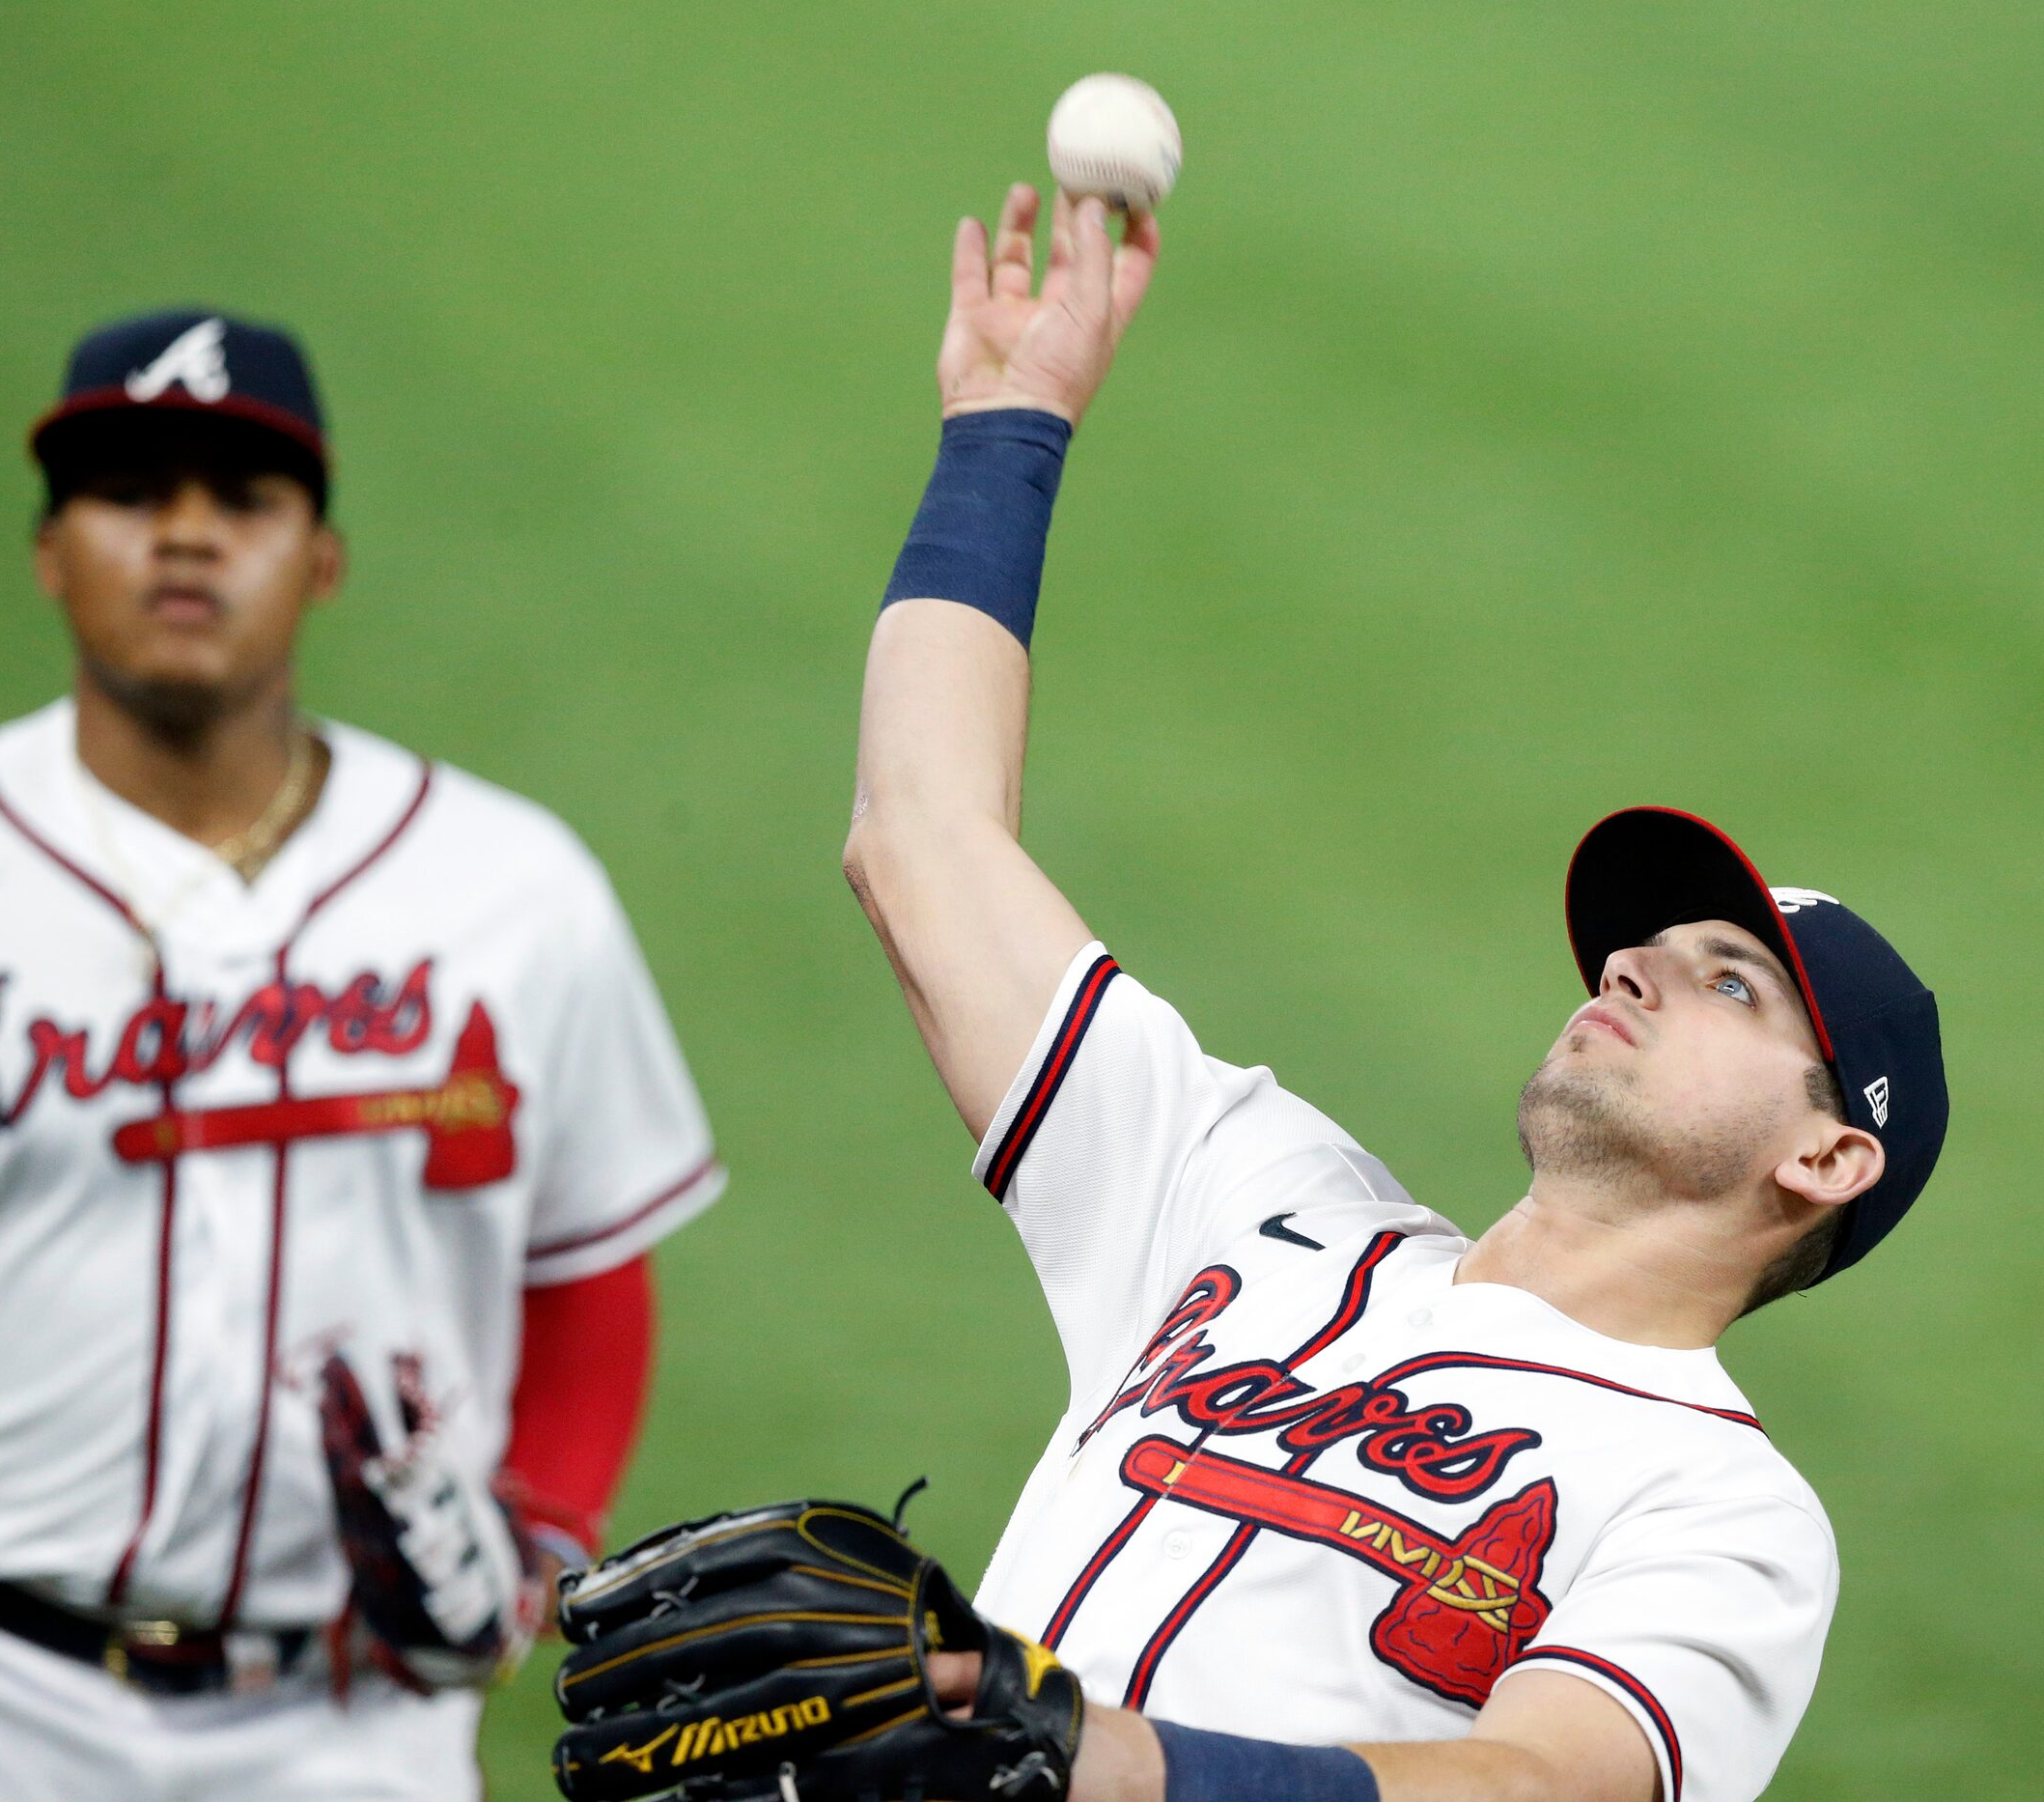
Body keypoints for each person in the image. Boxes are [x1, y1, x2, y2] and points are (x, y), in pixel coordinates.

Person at [834, 186, 1948, 1802]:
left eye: (1732, 984)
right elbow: (921, 837)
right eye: (1642, 946)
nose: (1634, 965)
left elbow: (1532, 1787)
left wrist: (1082, 1756)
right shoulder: (1250, 1193)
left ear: (1829, 1154)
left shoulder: (1721, 1508)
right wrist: (1008, 429)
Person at [0, 309, 725, 1799]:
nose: (184, 538)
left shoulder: (512, 887)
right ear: (49, 551)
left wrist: (540, 1545)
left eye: (241, 501)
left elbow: (586, 1271)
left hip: (356, 1734)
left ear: (323, 559)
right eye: (130, 493)